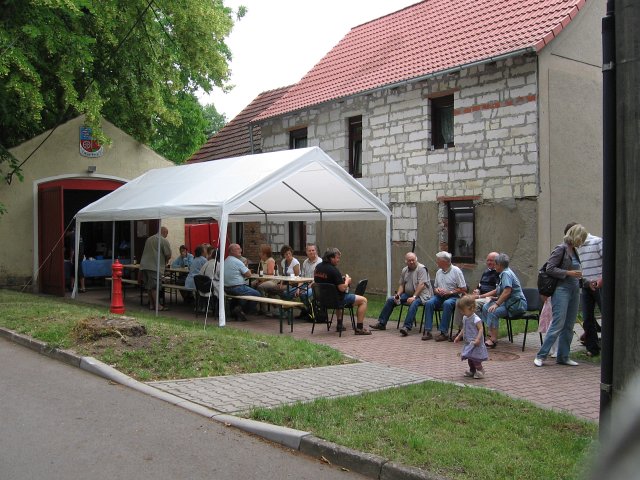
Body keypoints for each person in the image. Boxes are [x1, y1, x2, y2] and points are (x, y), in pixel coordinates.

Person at [534, 224, 588, 367]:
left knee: (569, 325)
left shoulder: (575, 251)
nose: (582, 241)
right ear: (575, 236)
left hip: (574, 289)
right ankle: (541, 355)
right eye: (581, 238)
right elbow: (550, 268)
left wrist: (586, 280)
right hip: (561, 290)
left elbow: (577, 271)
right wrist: (568, 273)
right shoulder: (561, 249)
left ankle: (563, 356)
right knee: (558, 323)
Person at [369, 252, 433, 335]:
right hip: (408, 294)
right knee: (390, 300)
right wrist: (398, 295)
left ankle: (406, 327)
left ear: (416, 259)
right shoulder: (405, 270)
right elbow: (402, 284)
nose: (412, 262)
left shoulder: (422, 269)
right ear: (406, 261)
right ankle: (382, 323)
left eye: (413, 260)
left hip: (421, 295)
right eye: (409, 260)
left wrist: (414, 296)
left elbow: (421, 285)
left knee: (413, 303)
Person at [313, 247, 371, 335]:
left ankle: (339, 325)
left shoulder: (318, 268)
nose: (338, 260)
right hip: (337, 300)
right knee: (363, 300)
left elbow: (325, 281)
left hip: (322, 300)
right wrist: (347, 280)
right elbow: (342, 288)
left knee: (336, 295)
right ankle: (359, 328)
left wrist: (340, 279)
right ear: (331, 258)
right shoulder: (334, 270)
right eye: (337, 258)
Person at [480, 253, 527, 348]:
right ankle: (490, 333)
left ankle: (493, 339)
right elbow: (500, 291)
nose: (494, 266)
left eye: (495, 264)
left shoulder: (506, 274)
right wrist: (490, 298)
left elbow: (507, 291)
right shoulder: (504, 273)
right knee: (486, 307)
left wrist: (497, 304)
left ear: (500, 265)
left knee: (493, 311)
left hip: (516, 306)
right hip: (509, 303)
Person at [450, 252, 499, 339]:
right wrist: (477, 291)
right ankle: (461, 329)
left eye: (491, 261)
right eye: (488, 260)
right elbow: (479, 286)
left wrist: (479, 296)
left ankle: (477, 330)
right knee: (460, 302)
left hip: (490, 298)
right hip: (481, 296)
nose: (489, 262)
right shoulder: (486, 272)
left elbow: (496, 291)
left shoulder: (499, 273)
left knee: (473, 304)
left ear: (497, 261)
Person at [422, 251, 467, 341]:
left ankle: (444, 332)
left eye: (438, 260)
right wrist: (437, 290)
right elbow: (435, 287)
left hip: (453, 296)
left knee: (447, 303)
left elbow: (463, 288)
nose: (437, 262)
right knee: (429, 303)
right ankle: (428, 331)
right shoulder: (439, 272)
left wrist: (449, 292)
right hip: (439, 296)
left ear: (444, 261)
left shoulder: (456, 271)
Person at [577, 229, 603, 357]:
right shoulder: (580, 247)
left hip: (600, 285)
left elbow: (608, 262)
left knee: (606, 316)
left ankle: (608, 346)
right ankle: (592, 349)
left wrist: (601, 279)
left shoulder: (597, 241)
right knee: (587, 318)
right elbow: (584, 267)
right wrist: (586, 282)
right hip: (587, 286)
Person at [223, 243, 261, 321]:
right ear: (232, 251)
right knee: (257, 294)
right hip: (237, 287)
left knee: (238, 297)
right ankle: (242, 311)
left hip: (226, 288)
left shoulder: (225, 261)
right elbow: (249, 274)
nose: (241, 250)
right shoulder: (237, 261)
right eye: (238, 249)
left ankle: (234, 311)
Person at [454, 294, 489, 379]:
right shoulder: (465, 318)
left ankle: (480, 370)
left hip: (475, 342)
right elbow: (464, 328)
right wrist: (459, 336)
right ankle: (472, 370)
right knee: (470, 358)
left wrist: (478, 339)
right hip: (469, 342)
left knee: (476, 359)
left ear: (471, 308)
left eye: (463, 310)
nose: (462, 312)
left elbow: (481, 329)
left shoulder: (476, 319)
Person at [140, 226, 171, 311]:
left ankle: (151, 305)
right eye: (166, 233)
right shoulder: (163, 240)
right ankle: (158, 306)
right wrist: (166, 261)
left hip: (144, 265)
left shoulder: (149, 239)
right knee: (154, 287)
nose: (166, 236)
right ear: (164, 232)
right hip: (154, 266)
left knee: (148, 286)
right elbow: (168, 254)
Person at [294, 243, 323, 320]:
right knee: (294, 292)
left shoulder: (320, 262)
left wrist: (306, 288)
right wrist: (298, 288)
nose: (311, 252)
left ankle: (311, 312)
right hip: (306, 284)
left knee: (306, 293)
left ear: (316, 251)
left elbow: (317, 279)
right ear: (306, 252)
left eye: (313, 250)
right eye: (309, 250)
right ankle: (307, 310)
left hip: (316, 285)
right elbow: (302, 278)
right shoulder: (305, 262)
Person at [254, 244, 278, 315]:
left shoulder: (270, 261)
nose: (259, 253)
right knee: (251, 284)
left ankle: (263, 309)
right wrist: (258, 280)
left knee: (260, 287)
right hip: (262, 279)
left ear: (265, 253)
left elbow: (270, 275)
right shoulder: (261, 260)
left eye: (260, 252)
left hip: (272, 280)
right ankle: (253, 307)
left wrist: (261, 281)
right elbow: (259, 273)